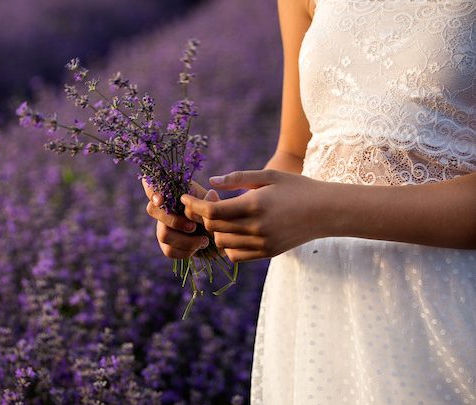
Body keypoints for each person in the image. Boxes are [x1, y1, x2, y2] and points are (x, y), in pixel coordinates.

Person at [143, 0, 476, 402]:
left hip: (445, 304)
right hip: (318, 310)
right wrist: (222, 220)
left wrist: (321, 211)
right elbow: (296, 153)